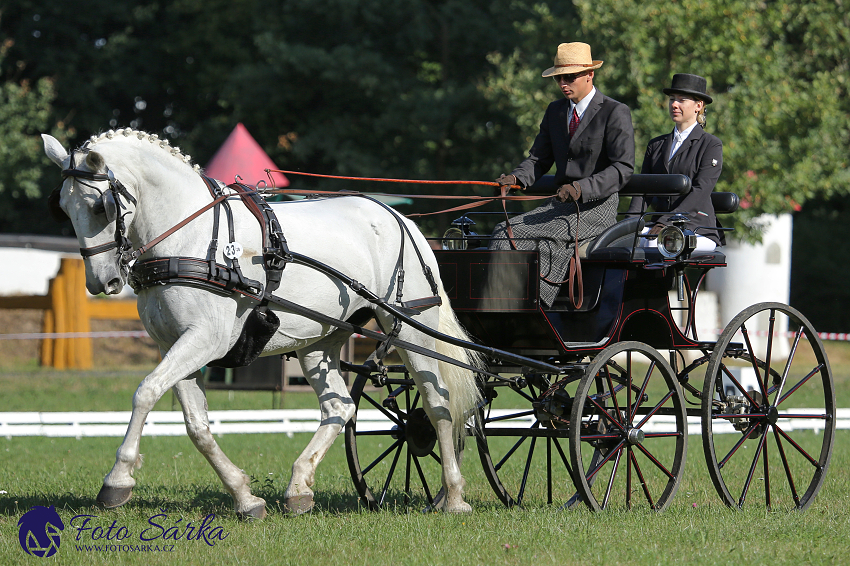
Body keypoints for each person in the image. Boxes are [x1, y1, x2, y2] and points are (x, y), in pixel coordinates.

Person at [490, 42, 634, 308]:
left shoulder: (614, 112)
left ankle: (535, 309)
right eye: (559, 78)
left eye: (569, 77)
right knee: (503, 231)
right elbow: (538, 158)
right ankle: (502, 309)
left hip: (596, 208)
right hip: (561, 205)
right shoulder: (555, 111)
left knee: (533, 239)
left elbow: (622, 169)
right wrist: (516, 178)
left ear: (590, 75)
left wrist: (581, 188)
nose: (563, 83)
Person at [626, 73, 723, 251]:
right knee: (624, 243)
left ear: (698, 106)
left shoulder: (710, 145)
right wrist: (628, 225)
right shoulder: (656, 145)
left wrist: (666, 221)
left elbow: (701, 190)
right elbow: (643, 191)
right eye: (672, 99)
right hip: (659, 226)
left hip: (696, 227)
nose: (674, 105)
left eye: (681, 100)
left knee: (654, 243)